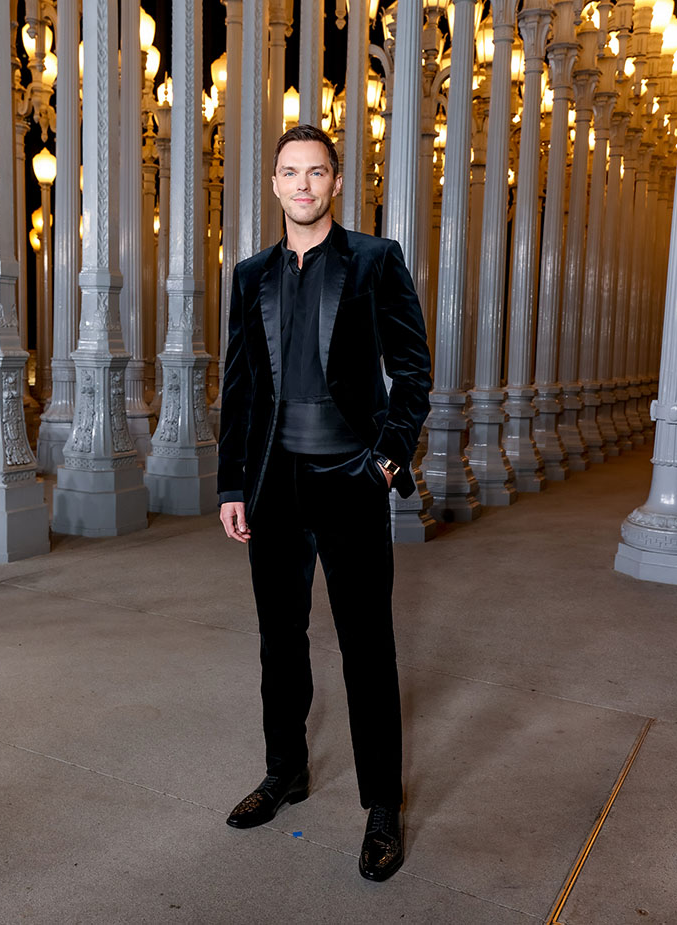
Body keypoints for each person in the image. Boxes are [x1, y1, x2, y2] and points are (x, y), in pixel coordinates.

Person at [217, 124, 431, 882]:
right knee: (281, 640)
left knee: (368, 648)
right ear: (273, 185)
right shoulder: (250, 275)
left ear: (336, 182)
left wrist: (385, 460)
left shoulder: (375, 260)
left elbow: (412, 368)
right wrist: (234, 485)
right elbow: (239, 387)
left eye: (316, 172)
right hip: (276, 484)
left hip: (351, 480)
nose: (302, 185)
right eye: (289, 172)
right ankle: (285, 774)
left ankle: (382, 808)